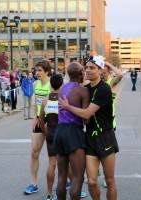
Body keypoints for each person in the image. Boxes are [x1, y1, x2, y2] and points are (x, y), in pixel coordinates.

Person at [59, 55, 119, 200]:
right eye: (87, 68)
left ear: (100, 70)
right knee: (91, 181)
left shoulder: (104, 89)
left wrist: (68, 106)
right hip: (90, 138)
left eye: (92, 68)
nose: (88, 71)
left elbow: (86, 113)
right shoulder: (85, 89)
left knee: (109, 180)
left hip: (105, 137)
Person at [53, 62, 89, 200]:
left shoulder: (61, 89)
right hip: (73, 132)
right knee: (77, 176)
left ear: (68, 74)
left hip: (59, 130)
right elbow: (86, 119)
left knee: (61, 177)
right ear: (80, 73)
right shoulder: (83, 91)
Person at [24, 60, 51, 195]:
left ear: (47, 71)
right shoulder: (35, 84)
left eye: (40, 70)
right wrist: (35, 117)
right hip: (40, 120)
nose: (37, 73)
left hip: (52, 121)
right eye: (36, 70)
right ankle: (33, 183)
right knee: (34, 152)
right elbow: (35, 102)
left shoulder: (54, 85)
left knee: (59, 154)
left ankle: (68, 181)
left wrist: (51, 119)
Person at [39, 74, 63, 200]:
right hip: (63, 134)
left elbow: (41, 120)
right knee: (66, 164)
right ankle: (70, 190)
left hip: (51, 133)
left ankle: (49, 193)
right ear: (62, 84)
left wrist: (45, 131)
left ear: (51, 85)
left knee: (51, 164)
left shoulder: (46, 99)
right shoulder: (64, 99)